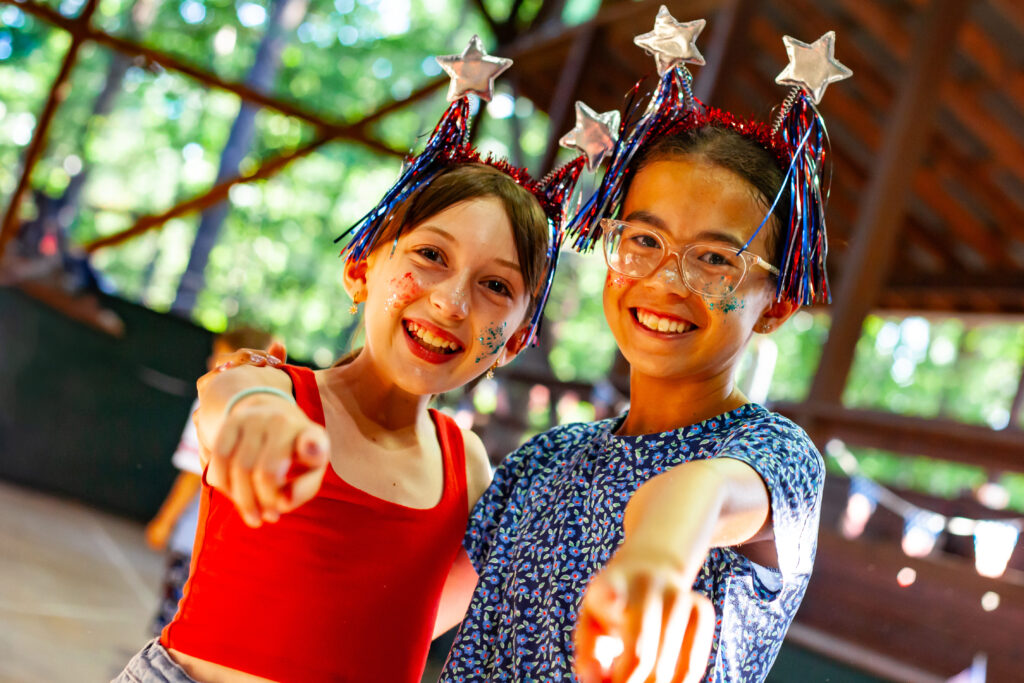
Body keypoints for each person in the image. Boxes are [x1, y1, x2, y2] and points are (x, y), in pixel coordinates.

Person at [115, 37, 584, 683]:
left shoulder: (467, 465)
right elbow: (231, 404)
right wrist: (259, 419)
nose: (451, 301)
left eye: (495, 286)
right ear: (361, 266)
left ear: (512, 341)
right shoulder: (269, 385)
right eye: (431, 256)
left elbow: (424, 612)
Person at [436, 15, 847, 683]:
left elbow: (700, 493)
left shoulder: (777, 458)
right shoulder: (545, 458)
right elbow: (415, 615)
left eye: (714, 258)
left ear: (776, 303)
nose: (666, 281)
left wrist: (656, 556)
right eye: (645, 241)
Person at [144, 328, 272, 636]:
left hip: (196, 538)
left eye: (220, 354)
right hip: (238, 543)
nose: (212, 360)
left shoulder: (212, 401)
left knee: (175, 619)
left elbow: (192, 475)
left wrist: (165, 520)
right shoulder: (272, 407)